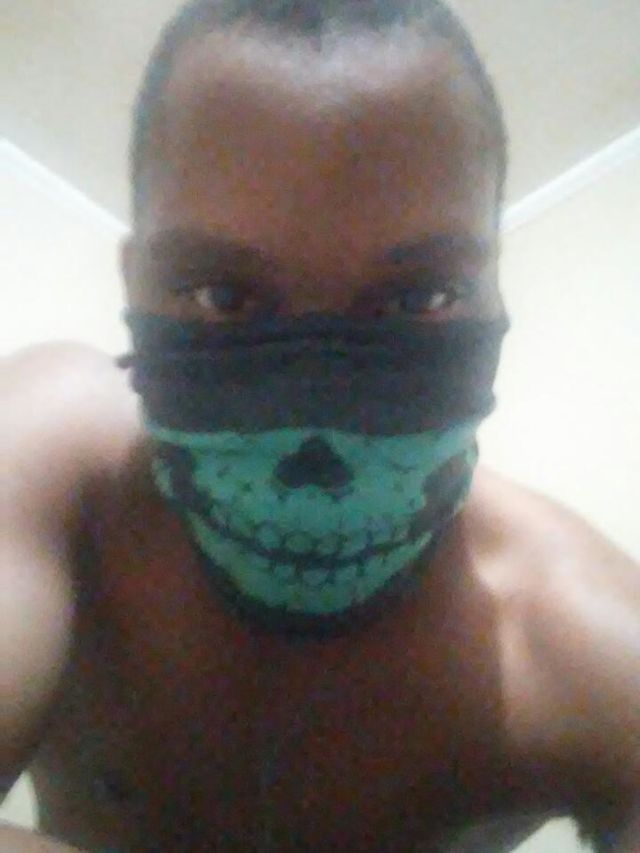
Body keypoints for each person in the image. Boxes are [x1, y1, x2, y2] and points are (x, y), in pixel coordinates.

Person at [2, 1, 639, 850]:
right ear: (135, 284)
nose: (314, 404)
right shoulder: (51, 451)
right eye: (223, 294)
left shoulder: (589, 651)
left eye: (420, 296)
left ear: (493, 290)